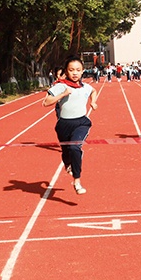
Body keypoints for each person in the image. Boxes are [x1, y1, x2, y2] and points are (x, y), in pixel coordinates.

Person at [43, 57, 98, 194]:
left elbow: (93, 91)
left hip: (81, 123)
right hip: (64, 124)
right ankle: (68, 164)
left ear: (82, 71)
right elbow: (46, 102)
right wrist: (63, 94)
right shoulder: (61, 86)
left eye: (78, 70)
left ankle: (77, 181)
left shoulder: (85, 87)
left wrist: (93, 102)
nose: (75, 73)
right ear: (66, 72)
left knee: (75, 147)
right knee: (66, 152)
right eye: (71, 70)